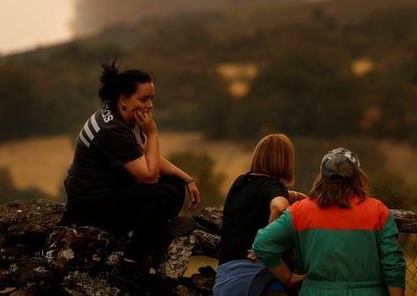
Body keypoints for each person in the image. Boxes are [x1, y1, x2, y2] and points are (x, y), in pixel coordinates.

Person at [63, 62, 201, 286]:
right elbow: (149, 176)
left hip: (108, 194)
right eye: (144, 99)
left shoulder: (124, 116)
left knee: (174, 185)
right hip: (90, 205)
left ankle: (146, 237)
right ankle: (128, 264)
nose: (150, 105)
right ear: (123, 99)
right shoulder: (112, 130)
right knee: (163, 194)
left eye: (151, 99)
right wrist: (153, 134)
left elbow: (148, 158)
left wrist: (186, 178)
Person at [252, 147, 406, 295]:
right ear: (358, 176)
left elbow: (262, 244)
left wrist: (288, 278)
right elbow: (393, 263)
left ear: (322, 177)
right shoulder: (378, 211)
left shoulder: (299, 211)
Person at [213, 133, 307, 296]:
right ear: (285, 160)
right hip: (255, 275)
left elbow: (275, 195)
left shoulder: (240, 183)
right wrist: (266, 242)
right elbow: (279, 207)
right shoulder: (273, 186)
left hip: (226, 277)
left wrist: (302, 198)